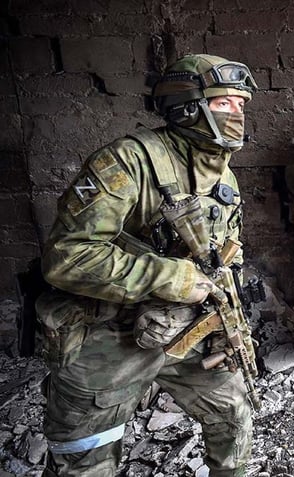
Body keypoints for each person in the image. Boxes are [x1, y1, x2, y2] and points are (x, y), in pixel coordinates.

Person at [36, 54, 257, 476]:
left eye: (242, 105)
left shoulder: (224, 177)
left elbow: (229, 253)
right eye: (225, 103)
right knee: (86, 457)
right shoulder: (127, 162)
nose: (238, 114)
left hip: (188, 328)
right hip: (108, 334)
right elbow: (68, 257)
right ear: (187, 106)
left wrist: (229, 320)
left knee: (234, 418)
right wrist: (169, 276)